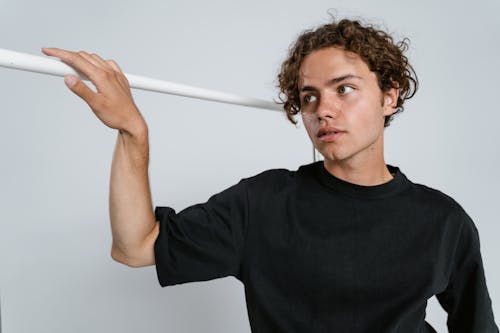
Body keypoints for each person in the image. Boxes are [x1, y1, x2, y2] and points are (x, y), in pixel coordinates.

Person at [42, 16, 498, 333]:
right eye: (309, 97)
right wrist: (132, 132)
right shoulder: (263, 203)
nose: (325, 110)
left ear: (389, 97)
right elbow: (134, 248)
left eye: (345, 89)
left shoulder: (443, 221)